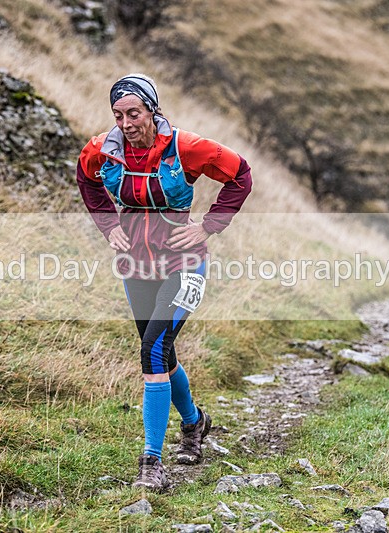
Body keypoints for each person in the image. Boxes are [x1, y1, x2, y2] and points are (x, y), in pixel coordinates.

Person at [76, 73, 252, 490]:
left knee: (153, 351)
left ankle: (150, 464)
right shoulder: (103, 149)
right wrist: (107, 226)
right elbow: (86, 179)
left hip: (184, 264)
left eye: (133, 113)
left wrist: (209, 226)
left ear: (152, 111)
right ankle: (194, 423)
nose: (125, 123)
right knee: (158, 351)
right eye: (117, 114)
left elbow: (240, 174)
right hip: (136, 266)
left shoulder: (185, 147)